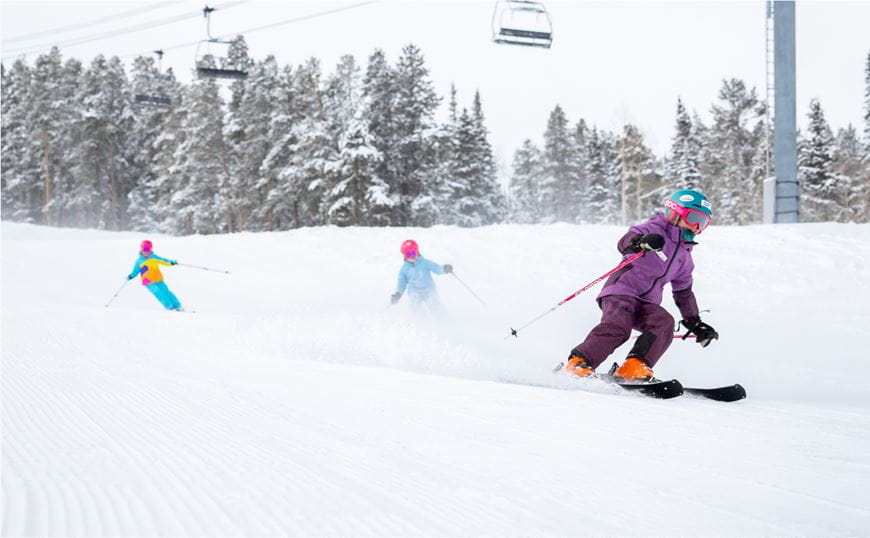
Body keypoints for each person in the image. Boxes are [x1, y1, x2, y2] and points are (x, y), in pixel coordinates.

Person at [563, 189, 719, 381]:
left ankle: (634, 366)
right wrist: (641, 242)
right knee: (619, 327)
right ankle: (578, 363)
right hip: (621, 291)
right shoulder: (653, 229)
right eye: (694, 218)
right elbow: (625, 242)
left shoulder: (685, 258)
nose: (696, 227)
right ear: (676, 212)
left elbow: (683, 293)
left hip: (646, 303)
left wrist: (695, 323)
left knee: (664, 323)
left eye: (703, 223)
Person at [391, 239, 453, 316]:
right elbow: (401, 283)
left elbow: (437, 268)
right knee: (415, 304)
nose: (412, 256)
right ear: (404, 256)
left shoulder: (425, 263)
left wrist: (443, 269)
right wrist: (398, 294)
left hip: (428, 289)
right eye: (408, 254)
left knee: (434, 303)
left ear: (417, 251)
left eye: (413, 253)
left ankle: (445, 321)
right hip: (414, 291)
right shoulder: (404, 269)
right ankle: (422, 323)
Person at [127, 240, 183, 311]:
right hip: (148, 282)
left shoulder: (154, 257)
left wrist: (171, 262)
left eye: (149, 249)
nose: (147, 252)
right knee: (159, 293)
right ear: (141, 249)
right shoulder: (139, 261)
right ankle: (169, 307)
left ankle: (178, 305)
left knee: (166, 291)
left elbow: (164, 261)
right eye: (145, 249)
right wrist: (131, 276)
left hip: (158, 279)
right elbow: (135, 271)